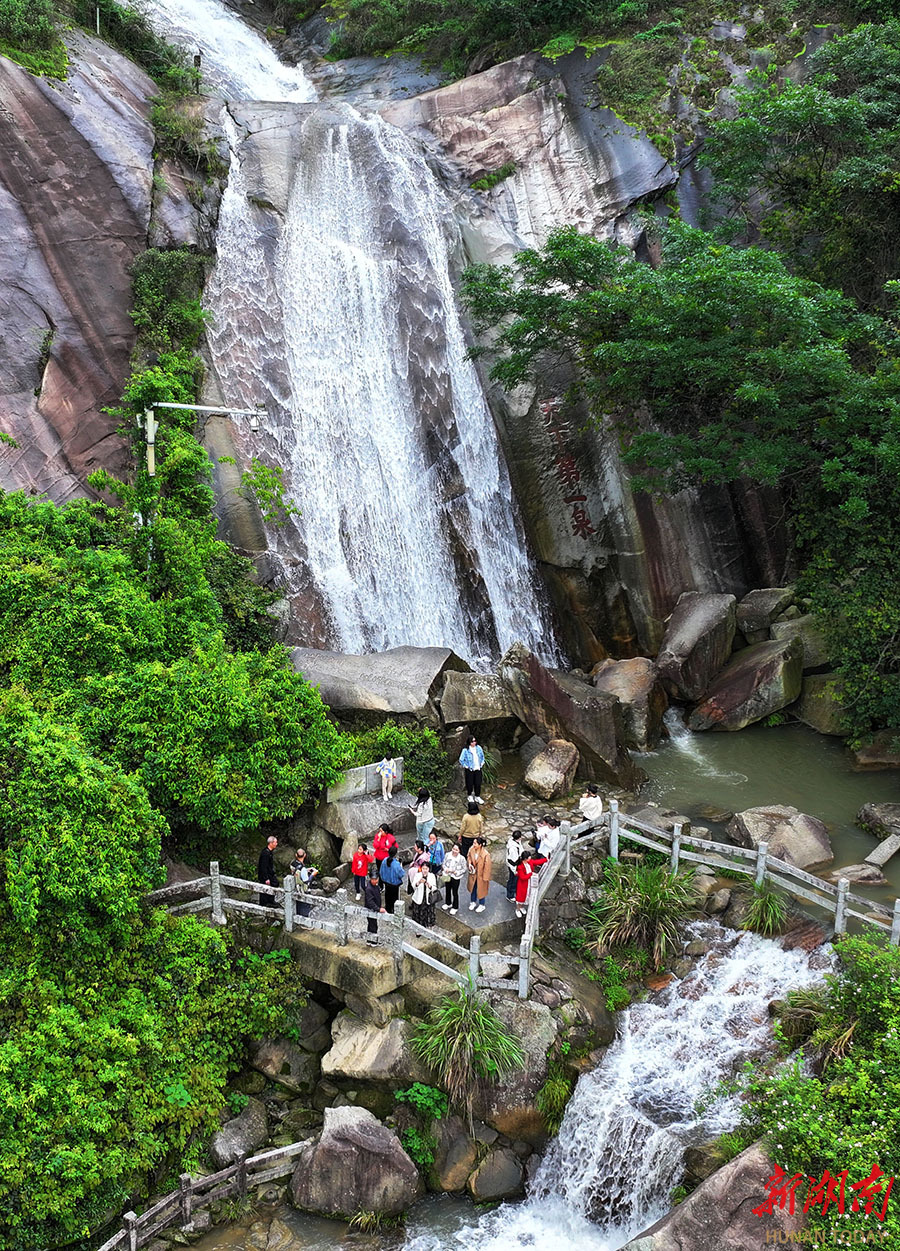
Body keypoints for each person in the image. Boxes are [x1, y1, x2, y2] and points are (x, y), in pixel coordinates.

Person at [409, 860, 437, 927]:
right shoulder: (418, 875)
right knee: (419, 913)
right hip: (419, 897)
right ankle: (418, 927)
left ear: (429, 869)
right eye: (423, 868)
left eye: (426, 869)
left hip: (428, 898)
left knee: (428, 913)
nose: (425, 870)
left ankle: (427, 925)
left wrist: (429, 885)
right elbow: (413, 886)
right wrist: (418, 882)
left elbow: (435, 887)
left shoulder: (432, 876)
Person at [467, 836, 492, 913]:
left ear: (480, 844)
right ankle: (473, 902)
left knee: (482, 890)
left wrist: (485, 878)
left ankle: (482, 904)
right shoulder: (471, 850)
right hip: (473, 874)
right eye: (473, 843)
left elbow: (487, 867)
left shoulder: (485, 854)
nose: (473, 844)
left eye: (475, 843)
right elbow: (469, 857)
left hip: (481, 875)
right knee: (473, 888)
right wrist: (469, 864)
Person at [459, 735, 485, 803]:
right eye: (472, 741)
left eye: (475, 741)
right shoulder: (465, 750)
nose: (474, 743)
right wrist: (466, 766)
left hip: (478, 768)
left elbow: (482, 756)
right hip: (470, 769)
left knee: (478, 783)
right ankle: (469, 795)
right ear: (469, 742)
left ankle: (477, 796)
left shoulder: (479, 748)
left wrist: (482, 763)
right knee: (470, 783)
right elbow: (461, 759)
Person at [442, 843, 467, 914]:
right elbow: (443, 863)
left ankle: (455, 907)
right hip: (447, 875)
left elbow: (464, 869)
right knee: (447, 889)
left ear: (459, 851)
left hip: (456, 877)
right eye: (453, 849)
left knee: (455, 892)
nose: (454, 851)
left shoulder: (462, 858)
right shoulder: (447, 855)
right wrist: (445, 869)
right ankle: (448, 903)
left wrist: (456, 872)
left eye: (456, 850)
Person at [379, 844, 405, 914]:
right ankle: (394, 912)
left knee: (387, 898)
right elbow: (402, 874)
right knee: (395, 900)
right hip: (394, 885)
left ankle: (388, 911)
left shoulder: (384, 860)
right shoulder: (396, 864)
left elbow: (381, 872)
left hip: (386, 883)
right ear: (395, 854)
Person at [364, 868, 385, 944]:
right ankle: (373, 942)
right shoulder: (369, 889)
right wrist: (378, 909)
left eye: (376, 879)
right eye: (373, 879)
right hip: (371, 909)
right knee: (373, 926)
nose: (374, 881)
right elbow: (370, 902)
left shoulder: (375, 886)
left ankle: (369, 940)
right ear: (370, 879)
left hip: (373, 909)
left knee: (371, 925)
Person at [257, 835, 278, 907]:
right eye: (275, 842)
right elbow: (263, 866)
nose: (276, 844)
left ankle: (270, 900)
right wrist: (266, 878)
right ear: (271, 843)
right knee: (265, 888)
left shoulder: (269, 852)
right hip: (265, 874)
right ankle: (265, 903)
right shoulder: (265, 853)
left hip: (269, 873)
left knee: (275, 884)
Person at [505, 829, 523, 901]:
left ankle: (513, 891)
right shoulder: (513, 848)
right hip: (513, 866)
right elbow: (512, 861)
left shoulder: (514, 842)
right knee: (513, 880)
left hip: (515, 864)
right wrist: (515, 870)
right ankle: (510, 895)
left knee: (514, 880)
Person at [514, 853, 534, 919]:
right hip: (522, 885)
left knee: (525, 897)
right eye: (529, 857)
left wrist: (546, 860)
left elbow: (536, 862)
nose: (530, 858)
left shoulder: (529, 863)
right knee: (520, 898)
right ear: (525, 859)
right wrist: (530, 874)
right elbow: (522, 877)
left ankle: (521, 907)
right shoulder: (520, 867)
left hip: (527, 884)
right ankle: (518, 909)